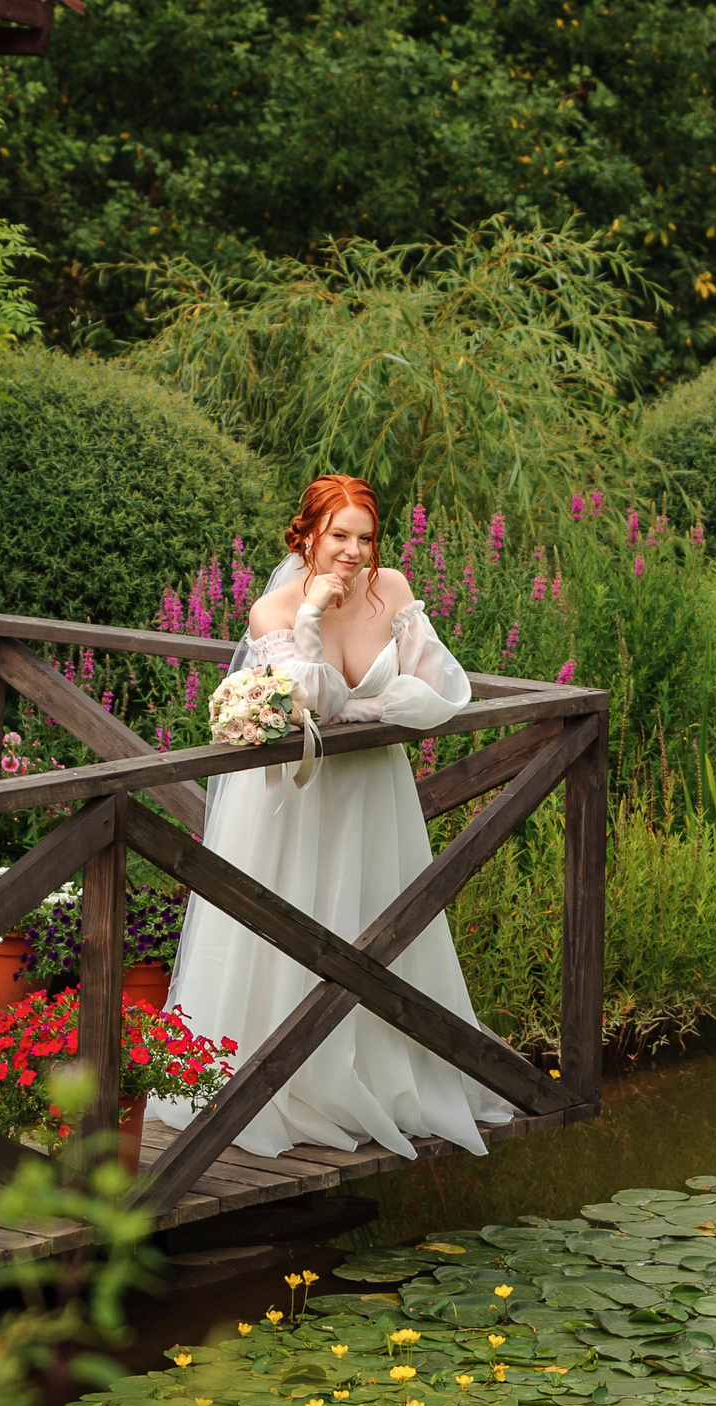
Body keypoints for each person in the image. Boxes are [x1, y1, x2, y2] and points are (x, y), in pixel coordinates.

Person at [143, 474, 511, 1157]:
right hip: (296, 800)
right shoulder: (273, 611)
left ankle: (381, 1072)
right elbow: (312, 698)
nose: (353, 551)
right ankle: (280, 1080)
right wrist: (312, 615)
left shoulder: (392, 590)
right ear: (307, 534)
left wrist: (380, 703)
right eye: (339, 535)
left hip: (372, 789)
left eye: (365, 538)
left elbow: (440, 689)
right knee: (293, 922)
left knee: (375, 918)